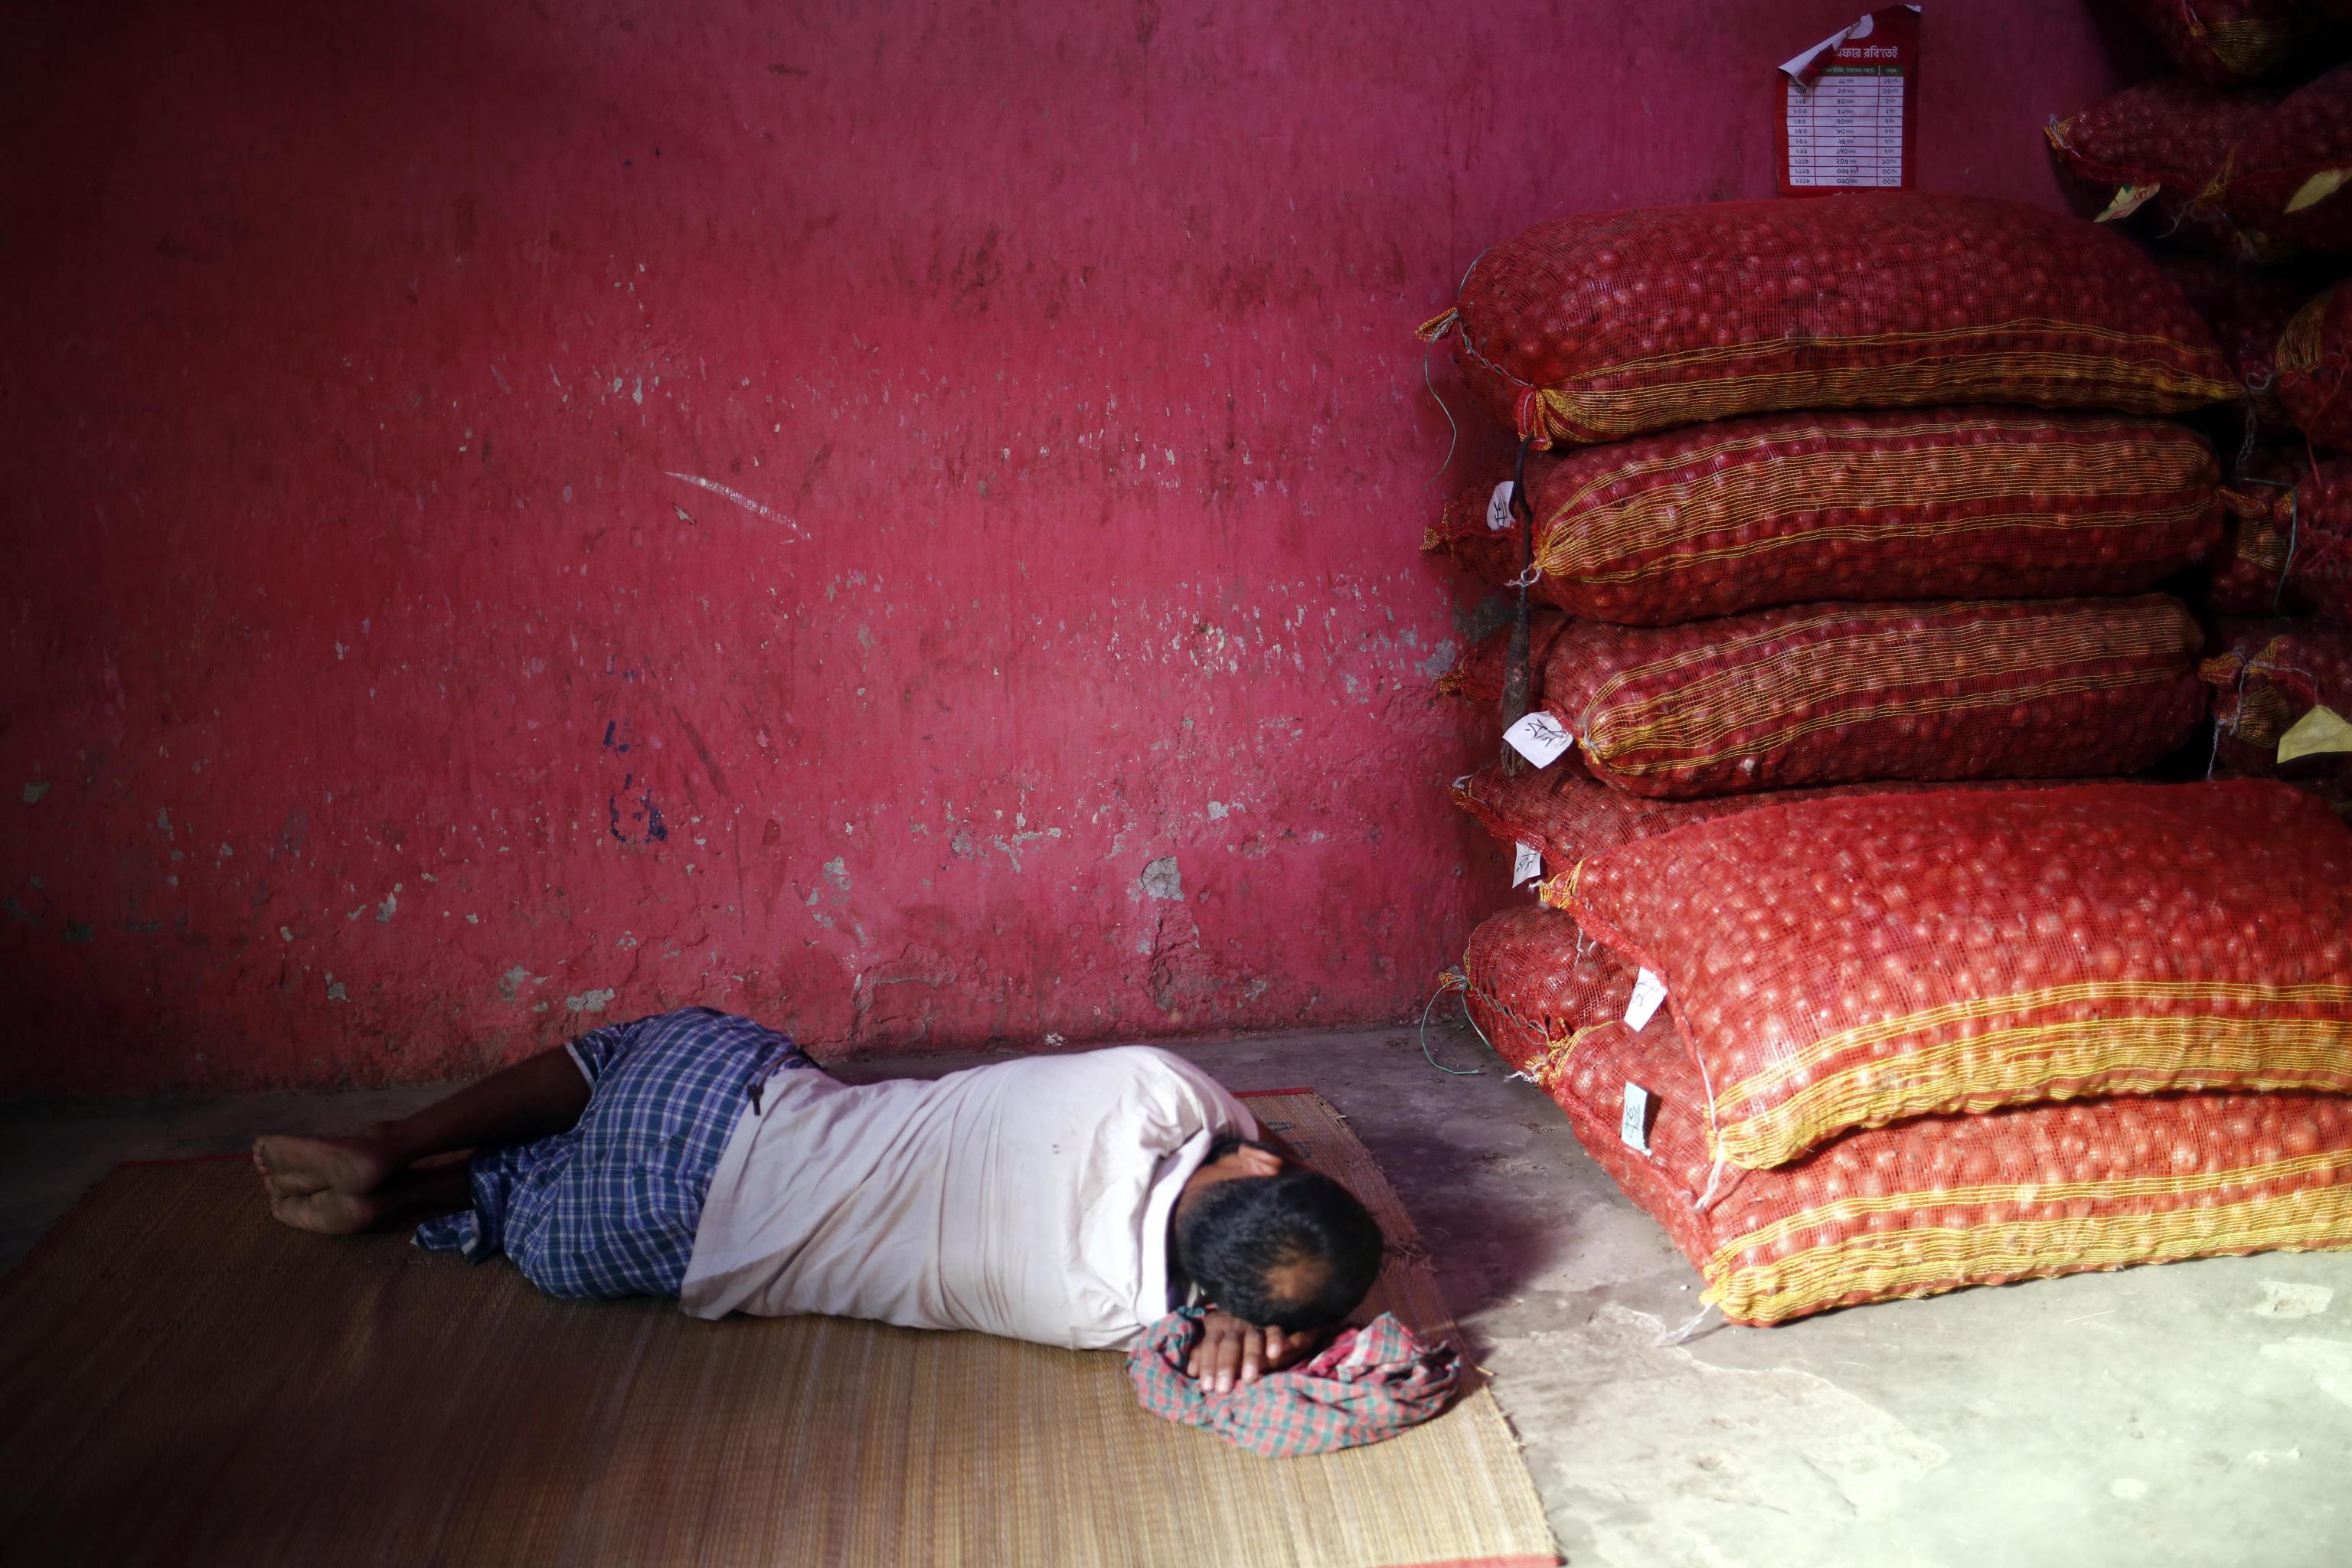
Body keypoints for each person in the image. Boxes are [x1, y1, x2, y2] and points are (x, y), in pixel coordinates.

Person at [253, 1006, 1384, 1391]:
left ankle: (391, 1144)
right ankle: (423, 1200)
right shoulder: (1111, 1313)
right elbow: (1195, 1338)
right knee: (534, 1200)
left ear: (1260, 1168)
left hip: (722, 1109)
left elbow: (1255, 1141)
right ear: (1216, 1296)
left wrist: (1266, 1179)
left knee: (643, 1049)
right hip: (649, 1246)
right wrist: (1257, 1324)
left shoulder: (1150, 1089)